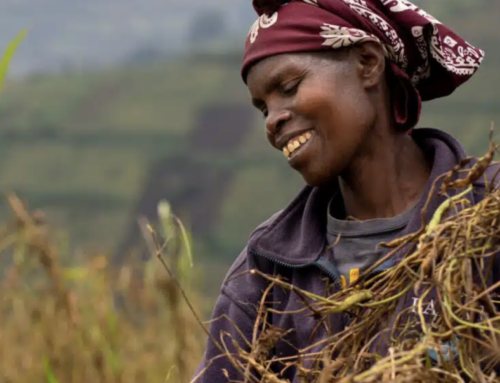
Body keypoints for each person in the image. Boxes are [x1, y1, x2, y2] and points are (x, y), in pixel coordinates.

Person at [192, 0, 489, 381]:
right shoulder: (266, 273)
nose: (273, 120)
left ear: (368, 63)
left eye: (288, 87)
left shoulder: (485, 218)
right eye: (263, 108)